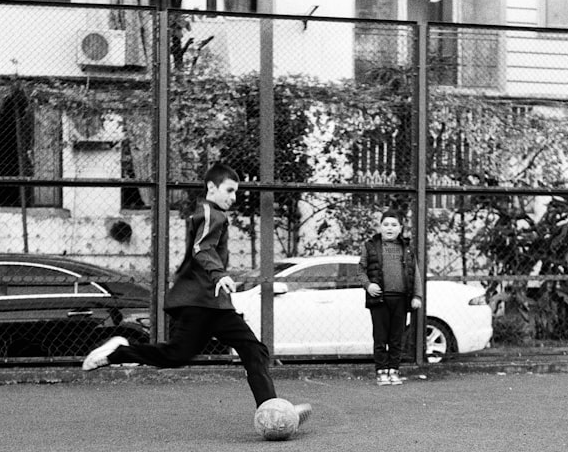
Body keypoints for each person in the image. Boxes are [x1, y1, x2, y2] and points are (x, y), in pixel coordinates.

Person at [81, 162, 311, 425]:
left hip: (213, 304)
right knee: (178, 355)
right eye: (229, 190)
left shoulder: (209, 213)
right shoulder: (212, 214)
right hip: (199, 302)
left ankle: (271, 410)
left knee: (251, 350)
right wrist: (220, 274)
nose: (233, 198)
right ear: (211, 187)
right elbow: (202, 249)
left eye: (236, 192)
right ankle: (119, 351)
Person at [357, 208, 423, 386]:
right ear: (380, 227)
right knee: (380, 337)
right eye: (385, 224)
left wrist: (417, 295)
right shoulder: (370, 246)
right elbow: (361, 270)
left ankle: (394, 370)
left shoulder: (406, 248)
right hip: (379, 299)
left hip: (401, 300)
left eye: (394, 225)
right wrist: (368, 285)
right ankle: (381, 371)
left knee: (396, 337)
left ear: (400, 228)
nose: (389, 228)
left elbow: (414, 272)